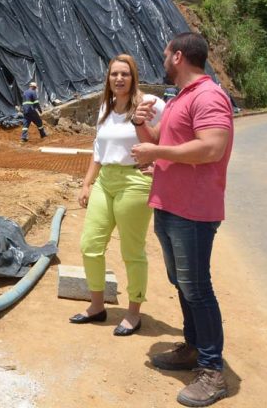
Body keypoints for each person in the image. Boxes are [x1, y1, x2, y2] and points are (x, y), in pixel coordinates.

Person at [131, 32, 233, 407]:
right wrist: (140, 124)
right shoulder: (180, 99)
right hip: (170, 206)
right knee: (182, 283)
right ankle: (193, 347)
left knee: (197, 287)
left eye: (165, 55)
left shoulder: (208, 96)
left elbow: (212, 147)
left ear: (177, 57)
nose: (163, 61)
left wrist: (157, 151)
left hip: (193, 211)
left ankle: (212, 371)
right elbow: (160, 142)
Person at [69, 54, 165, 336]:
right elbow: (98, 151)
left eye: (125, 74)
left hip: (134, 180)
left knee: (131, 250)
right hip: (105, 180)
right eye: (114, 74)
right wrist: (87, 183)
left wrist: (161, 163)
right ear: (108, 78)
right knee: (90, 244)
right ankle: (97, 306)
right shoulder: (106, 107)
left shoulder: (151, 103)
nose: (119, 79)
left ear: (134, 77)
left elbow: (170, 133)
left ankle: (133, 312)